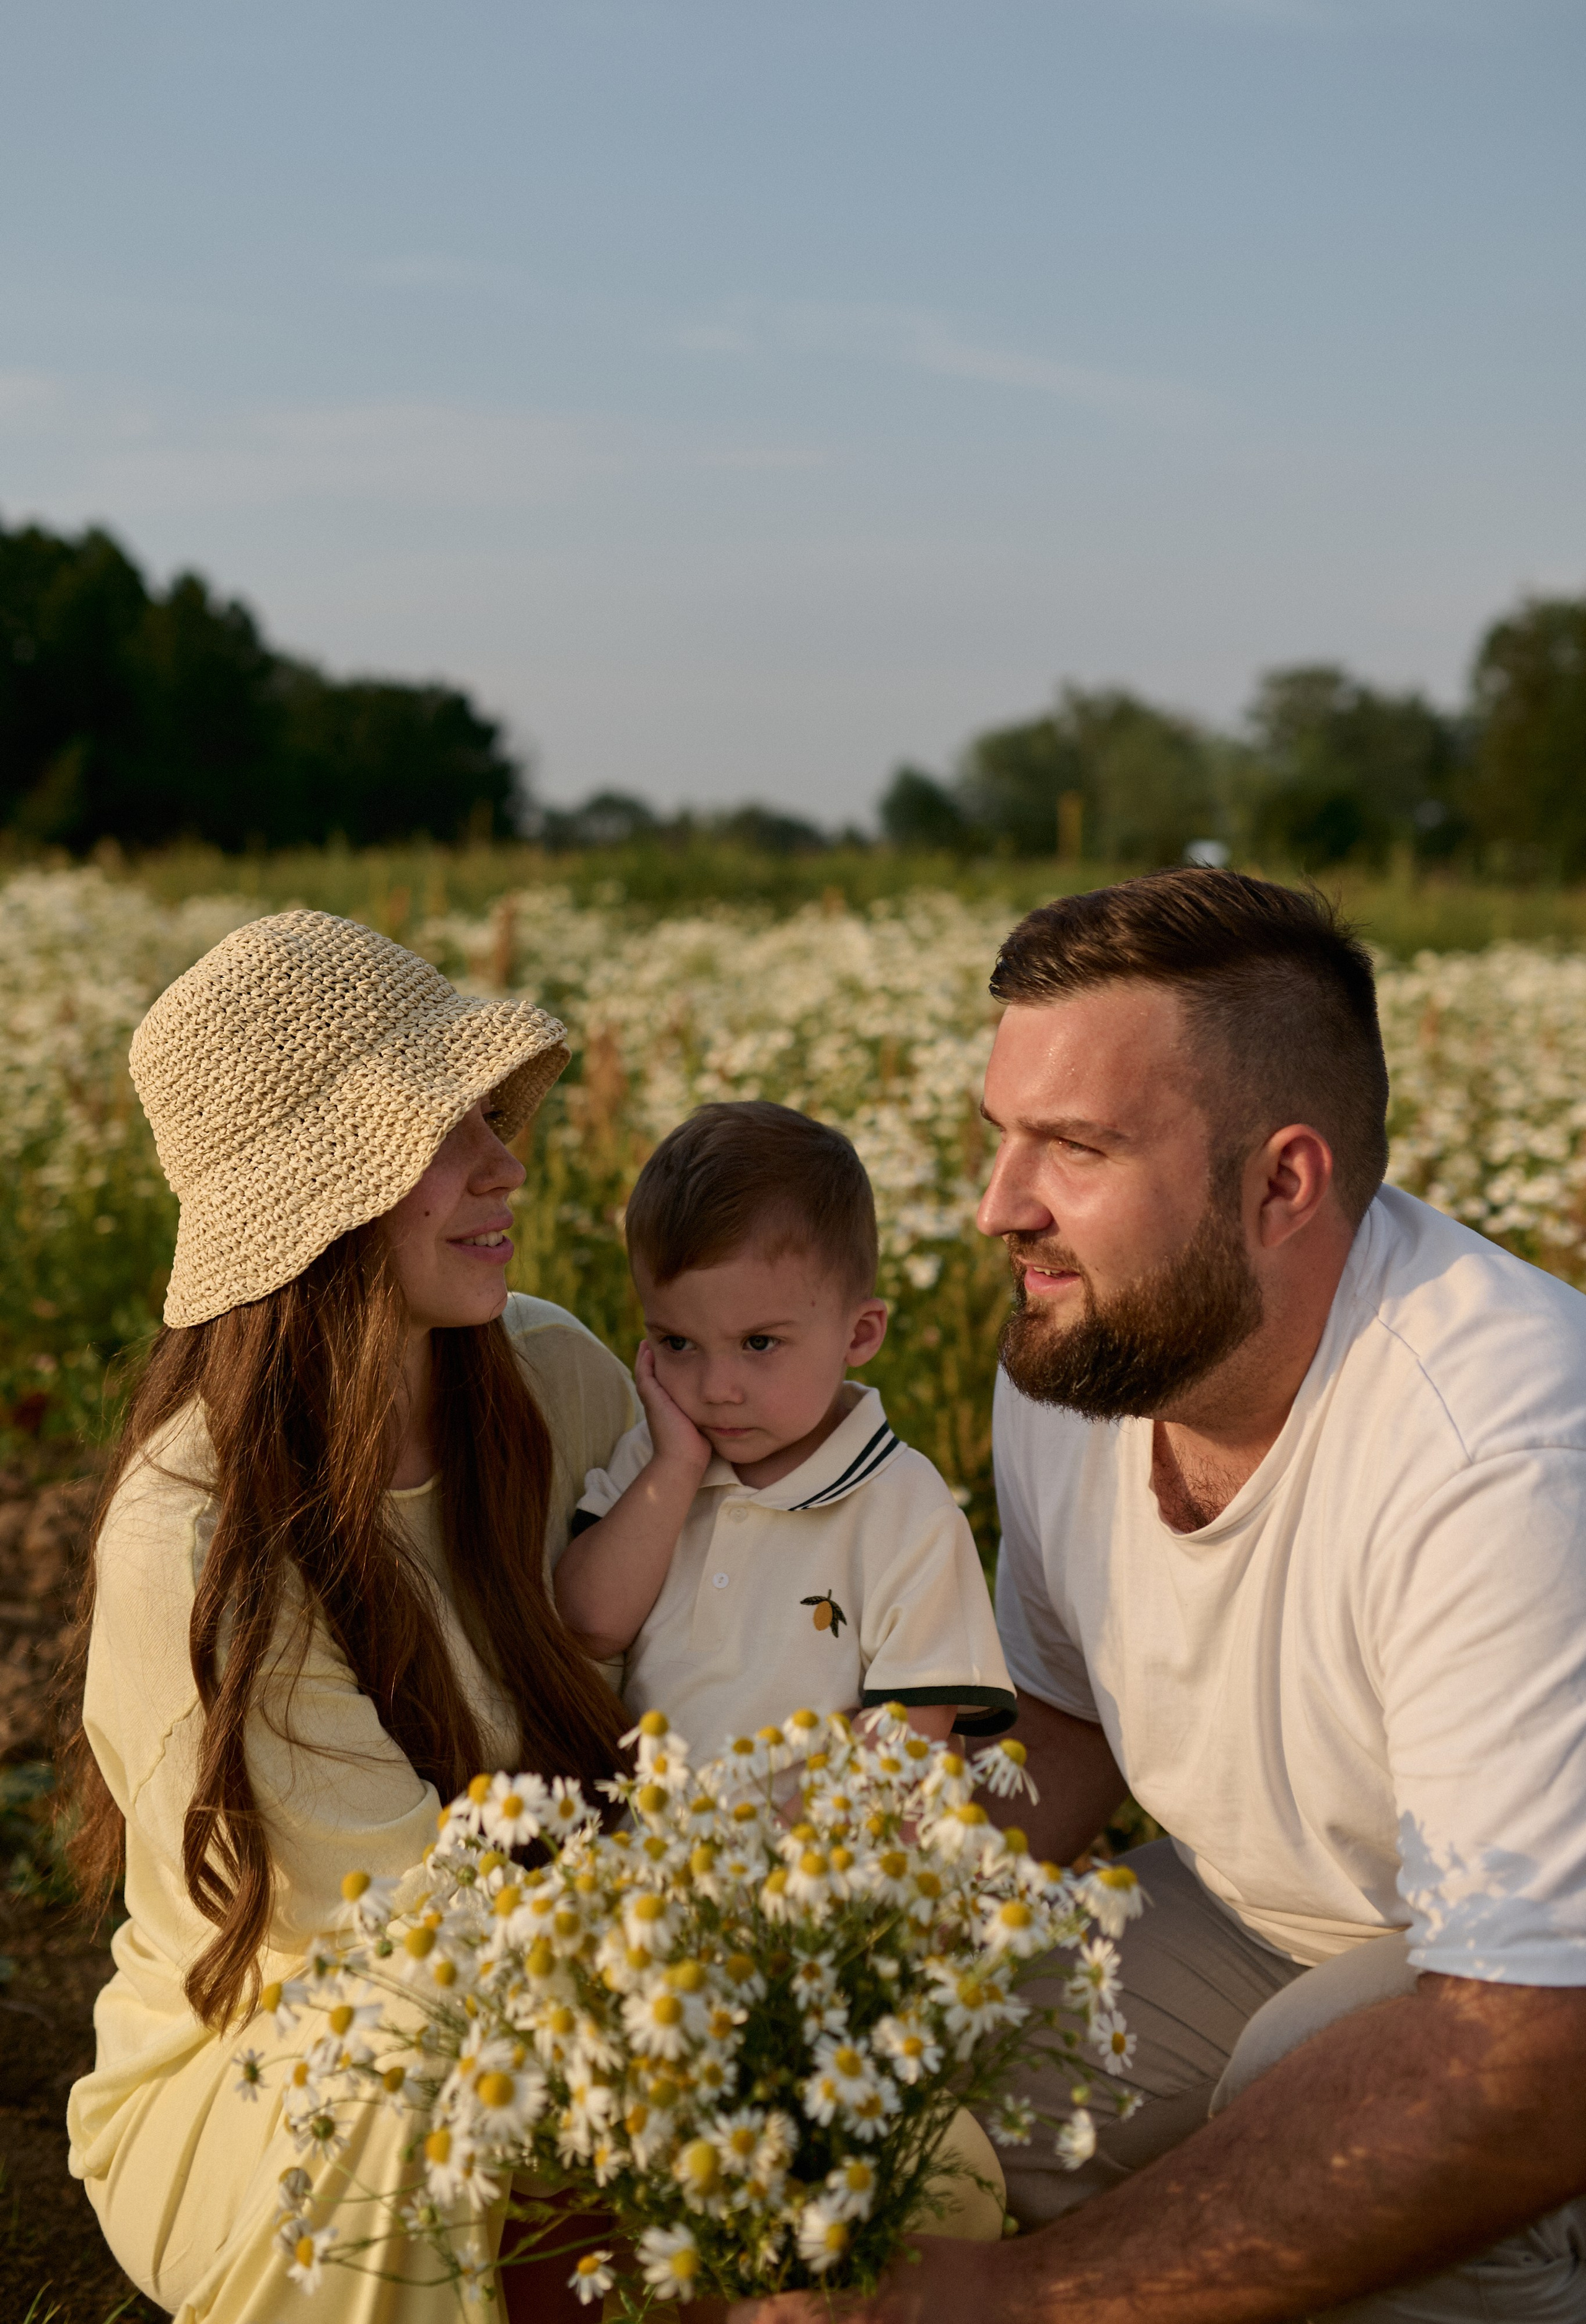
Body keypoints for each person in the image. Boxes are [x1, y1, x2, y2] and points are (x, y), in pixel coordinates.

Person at [724, 870, 1586, 2324]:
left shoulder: (1499, 1454)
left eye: (1073, 1146)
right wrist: (819, 1944)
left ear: (1280, 1183)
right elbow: (1060, 1727)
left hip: (1519, 1988)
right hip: (1268, 1912)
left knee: (1310, 2102)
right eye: (1000, 1137)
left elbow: (1531, 2052)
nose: (999, 1208)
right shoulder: (1077, 1357)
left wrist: (1020, 2298)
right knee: (915, 2088)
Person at [65, 910, 637, 2324]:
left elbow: (700, 1691)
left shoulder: (554, 1380)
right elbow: (411, 1937)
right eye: (451, 1131)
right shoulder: (194, 1542)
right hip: (291, 2067)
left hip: (587, 1985)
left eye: (496, 1117)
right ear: (328, 1195)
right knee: (419, 2074)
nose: (511, 1164)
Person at [552, 1098, 1015, 2242]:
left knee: (821, 2176)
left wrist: (797, 1897)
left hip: (822, 1924)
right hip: (646, 1910)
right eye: (676, 1344)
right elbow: (589, 1619)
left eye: (761, 1345)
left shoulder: (901, 1507)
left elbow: (913, 1753)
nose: (716, 1387)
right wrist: (667, 1473)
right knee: (650, 2179)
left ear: (860, 1332)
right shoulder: (661, 1466)